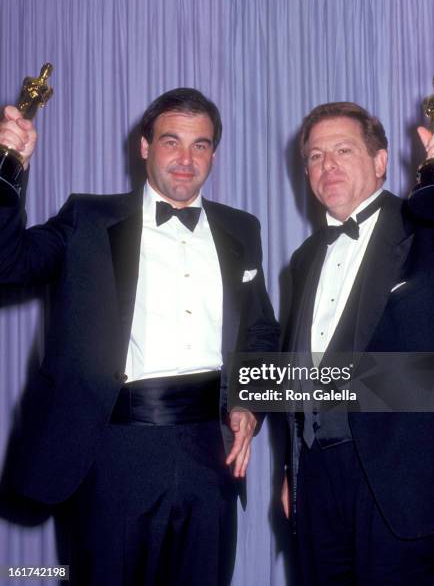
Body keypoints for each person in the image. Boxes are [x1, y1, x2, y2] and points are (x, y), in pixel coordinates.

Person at [0, 87, 279, 586]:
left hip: (209, 452)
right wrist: (9, 168)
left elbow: (259, 327)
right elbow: (7, 262)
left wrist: (249, 404)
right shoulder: (87, 219)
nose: (186, 159)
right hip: (112, 450)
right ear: (145, 147)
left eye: (201, 145)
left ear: (214, 153)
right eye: (172, 142)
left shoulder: (243, 229)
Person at [281, 101, 434, 585]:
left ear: (381, 161)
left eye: (343, 150)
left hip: (410, 486)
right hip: (318, 485)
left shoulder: (430, 224)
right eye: (315, 156)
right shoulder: (303, 259)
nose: (327, 166)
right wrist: (293, 467)